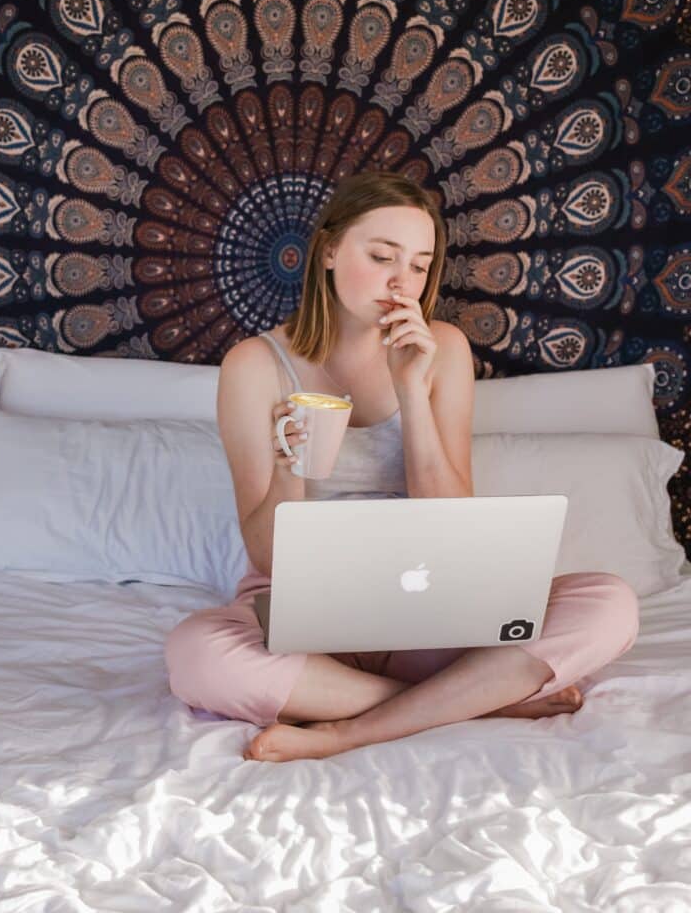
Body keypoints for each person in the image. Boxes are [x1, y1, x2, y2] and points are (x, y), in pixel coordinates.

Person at [164, 170, 640, 763]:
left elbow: (453, 523)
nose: (401, 281)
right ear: (330, 250)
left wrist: (411, 391)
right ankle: (473, 700)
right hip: (301, 611)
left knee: (609, 602)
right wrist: (290, 464)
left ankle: (347, 729)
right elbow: (266, 556)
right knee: (195, 654)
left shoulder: (443, 350)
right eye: (382, 255)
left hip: (428, 602)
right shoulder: (254, 365)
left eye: (418, 265)